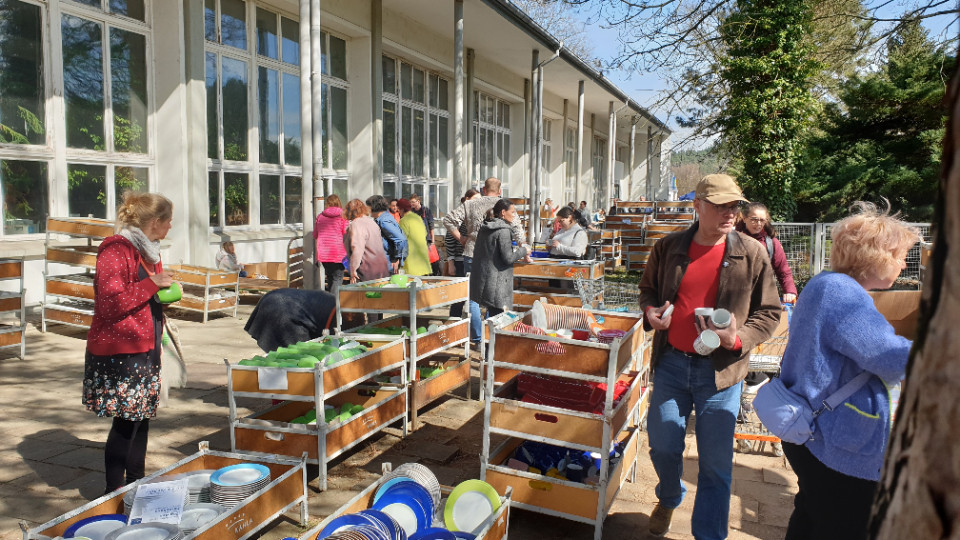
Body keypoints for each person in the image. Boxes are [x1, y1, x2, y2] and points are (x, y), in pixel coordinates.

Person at [638, 173, 781, 539]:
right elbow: (648, 289)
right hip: (672, 364)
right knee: (663, 446)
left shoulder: (752, 252)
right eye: (720, 205)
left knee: (716, 468)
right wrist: (651, 313)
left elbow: (768, 313)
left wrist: (737, 340)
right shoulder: (668, 247)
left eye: (734, 205)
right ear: (697, 206)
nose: (730, 212)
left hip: (723, 374)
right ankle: (670, 496)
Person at [776, 202, 918, 540]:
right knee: (845, 524)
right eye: (899, 256)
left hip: (809, 430)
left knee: (812, 513)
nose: (902, 264)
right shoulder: (844, 296)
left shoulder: (827, 283)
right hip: (835, 442)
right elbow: (891, 358)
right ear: (876, 257)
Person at [83, 191, 175, 494]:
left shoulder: (147, 251)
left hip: (145, 345)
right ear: (156, 221)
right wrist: (152, 285)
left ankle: (137, 484)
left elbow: (143, 294)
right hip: (122, 351)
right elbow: (108, 304)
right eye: (169, 220)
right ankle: (113, 492)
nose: (171, 226)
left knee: (142, 418)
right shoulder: (115, 249)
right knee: (126, 423)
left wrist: (160, 295)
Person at [443, 177, 527, 345]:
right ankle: (490, 336)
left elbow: (448, 220)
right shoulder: (504, 205)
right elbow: (518, 229)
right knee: (494, 297)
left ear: (483, 189)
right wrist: (524, 249)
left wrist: (461, 238)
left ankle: (477, 338)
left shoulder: (471, 204)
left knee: (473, 299)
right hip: (496, 257)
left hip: (472, 253)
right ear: (500, 190)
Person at [470, 199, 531, 317]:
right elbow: (508, 258)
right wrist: (524, 250)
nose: (514, 215)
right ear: (503, 212)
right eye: (513, 212)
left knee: (492, 318)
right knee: (499, 320)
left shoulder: (486, 227)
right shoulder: (503, 230)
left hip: (486, 281)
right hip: (498, 284)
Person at [736, 202, 798, 303]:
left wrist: (790, 291)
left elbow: (783, 271)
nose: (759, 224)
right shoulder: (732, 240)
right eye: (754, 220)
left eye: (762, 220)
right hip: (735, 298)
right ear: (744, 218)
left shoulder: (771, 243)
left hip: (762, 298)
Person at [244, 288, 338, 352]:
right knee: (296, 357)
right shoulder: (343, 314)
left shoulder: (338, 303)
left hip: (276, 299)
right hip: (283, 310)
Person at [447, 189, 480, 318]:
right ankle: (454, 321)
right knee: (459, 296)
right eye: (475, 199)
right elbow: (449, 239)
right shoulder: (459, 215)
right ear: (467, 199)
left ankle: (463, 323)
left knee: (470, 295)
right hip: (460, 261)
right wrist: (451, 262)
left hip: (472, 259)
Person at [344, 198, 390, 283]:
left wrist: (353, 269)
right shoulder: (372, 222)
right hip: (381, 266)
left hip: (366, 268)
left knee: (364, 295)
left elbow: (357, 248)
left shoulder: (356, 224)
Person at [313, 194, 348, 295]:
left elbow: (315, 235)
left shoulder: (320, 216)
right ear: (339, 202)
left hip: (324, 254)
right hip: (338, 253)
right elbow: (346, 233)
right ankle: (333, 305)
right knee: (337, 279)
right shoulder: (343, 216)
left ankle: (329, 304)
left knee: (330, 278)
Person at [367, 195, 408, 275]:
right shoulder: (383, 218)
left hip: (387, 263)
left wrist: (396, 258)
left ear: (374, 207)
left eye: (368, 207)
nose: (367, 210)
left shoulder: (384, 221)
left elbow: (400, 239)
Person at [397, 198, 431, 276]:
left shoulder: (404, 220)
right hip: (423, 260)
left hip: (411, 261)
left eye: (398, 209)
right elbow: (425, 233)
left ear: (401, 209)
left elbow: (401, 240)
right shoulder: (418, 218)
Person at [409, 193, 440, 275]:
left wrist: (432, 240)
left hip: (426, 240)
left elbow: (431, 226)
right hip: (415, 241)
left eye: (413, 202)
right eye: (410, 202)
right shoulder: (410, 213)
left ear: (418, 201)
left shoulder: (426, 211)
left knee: (430, 261)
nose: (411, 204)